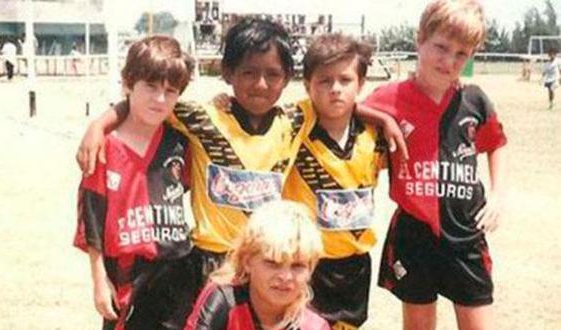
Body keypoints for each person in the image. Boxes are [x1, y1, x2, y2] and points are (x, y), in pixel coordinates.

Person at [76, 18, 405, 291]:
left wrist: (384, 118)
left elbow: (340, 100)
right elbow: (152, 102)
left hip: (265, 262)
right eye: (248, 72)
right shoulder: (203, 117)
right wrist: (100, 124)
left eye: (272, 74)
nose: (260, 83)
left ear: (288, 78)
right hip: (210, 262)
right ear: (228, 73)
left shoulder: (296, 119)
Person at [362, 1, 507, 329]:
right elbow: (349, 109)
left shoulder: (475, 100)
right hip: (414, 233)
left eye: (461, 54)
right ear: (420, 39)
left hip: (466, 232)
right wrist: (383, 118)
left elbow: (496, 144)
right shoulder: (391, 96)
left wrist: (497, 195)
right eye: (441, 47)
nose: (449, 60)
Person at [73, 35, 198, 330]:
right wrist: (99, 280)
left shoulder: (181, 142)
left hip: (177, 270)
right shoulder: (103, 146)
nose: (159, 99)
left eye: (170, 91)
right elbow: (92, 221)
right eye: (151, 87)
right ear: (128, 84)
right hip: (127, 275)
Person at [281, 34, 387, 330]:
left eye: (345, 80)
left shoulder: (375, 134)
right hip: (306, 262)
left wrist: (386, 120)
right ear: (307, 85)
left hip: (355, 264)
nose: (335, 89)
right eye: (324, 81)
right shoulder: (291, 128)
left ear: (361, 84)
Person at [184, 200, 330, 330]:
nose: (285, 277)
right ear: (247, 261)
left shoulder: (314, 326)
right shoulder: (223, 301)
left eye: (298, 266)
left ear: (311, 269)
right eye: (273, 263)